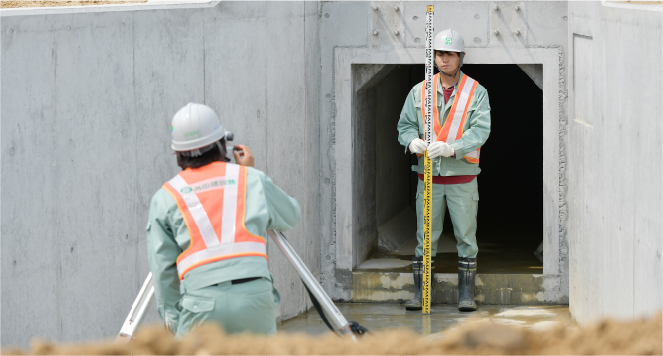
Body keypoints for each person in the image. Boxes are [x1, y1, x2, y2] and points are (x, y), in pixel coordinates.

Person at [146, 103, 301, 337]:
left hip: (201, 304)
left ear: (177, 154)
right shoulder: (250, 179)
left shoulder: (166, 197)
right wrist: (249, 172)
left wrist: (177, 324)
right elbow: (291, 216)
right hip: (255, 300)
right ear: (223, 144)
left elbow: (163, 270)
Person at [397, 29, 491, 312]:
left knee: (466, 237)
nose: (444, 59)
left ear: (461, 57)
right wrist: (410, 140)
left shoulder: (476, 92)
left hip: (462, 179)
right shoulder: (419, 91)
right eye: (439, 54)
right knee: (425, 238)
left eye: (450, 54)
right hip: (429, 179)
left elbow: (481, 131)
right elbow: (405, 126)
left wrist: (453, 148)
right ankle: (420, 294)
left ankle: (466, 295)